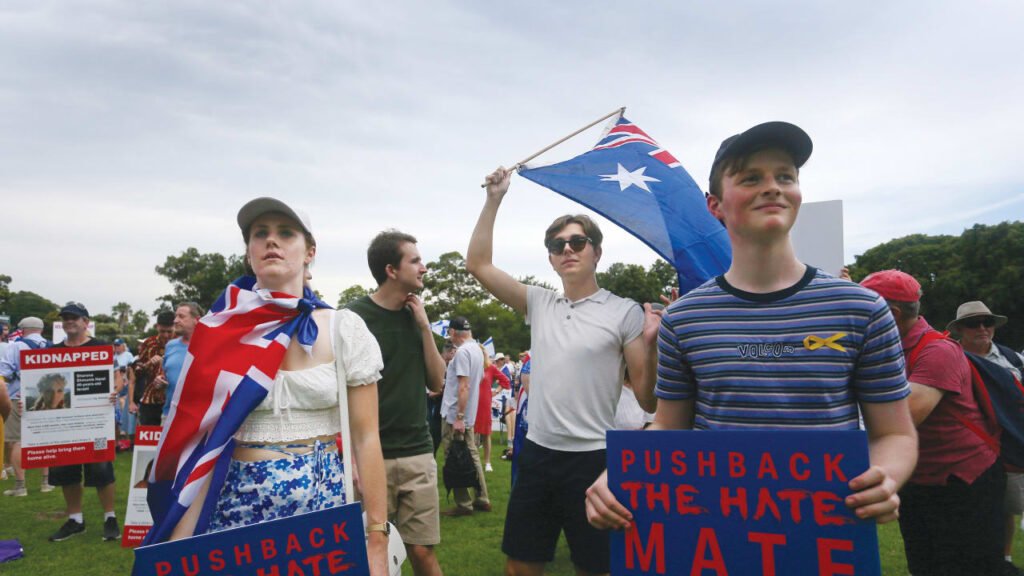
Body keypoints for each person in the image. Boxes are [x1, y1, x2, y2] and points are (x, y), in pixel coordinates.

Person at [584, 123, 918, 556]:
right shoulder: (684, 318)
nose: (773, 188)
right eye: (751, 178)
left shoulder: (861, 309)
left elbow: (896, 434)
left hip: (825, 539)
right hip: (717, 539)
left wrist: (886, 475)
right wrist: (623, 472)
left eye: (785, 176)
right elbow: (670, 424)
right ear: (715, 205)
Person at [161, 197, 390, 575]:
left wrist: (377, 538)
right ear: (249, 254)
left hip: (322, 510)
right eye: (260, 234)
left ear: (309, 252)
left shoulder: (343, 327)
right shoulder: (217, 332)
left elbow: (367, 439)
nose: (271, 242)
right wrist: (180, 540)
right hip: (234, 507)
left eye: (286, 233)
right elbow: (200, 441)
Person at [468, 168, 656, 576]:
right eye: (557, 245)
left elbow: (647, 398)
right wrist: (494, 199)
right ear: (551, 259)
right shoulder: (539, 302)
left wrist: (653, 344)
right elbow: (479, 264)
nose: (567, 249)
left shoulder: (622, 310)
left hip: (593, 460)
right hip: (537, 454)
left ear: (596, 252)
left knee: (596, 568)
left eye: (577, 242)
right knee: (520, 566)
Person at [346, 229, 446, 576]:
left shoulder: (416, 315)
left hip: (418, 451)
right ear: (391, 270)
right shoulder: (351, 319)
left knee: (421, 551)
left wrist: (424, 328)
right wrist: (352, 459)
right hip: (370, 459)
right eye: (415, 260)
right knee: (376, 555)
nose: (424, 267)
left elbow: (437, 382)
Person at [947, 300, 1024, 572]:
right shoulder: (948, 357)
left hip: (1008, 445)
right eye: (973, 323)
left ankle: (1002, 558)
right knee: (971, 507)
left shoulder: (1013, 359)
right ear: (960, 329)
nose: (982, 328)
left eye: (987, 322)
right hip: (966, 446)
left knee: (1006, 508)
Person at [47, 302, 121, 543]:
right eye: (66, 318)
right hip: (64, 423)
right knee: (65, 469)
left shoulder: (101, 348)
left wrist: (115, 392)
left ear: (86, 322)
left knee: (101, 469)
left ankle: (110, 517)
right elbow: (45, 385)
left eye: (75, 318)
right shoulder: (52, 351)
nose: (70, 321)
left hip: (95, 420)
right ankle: (75, 519)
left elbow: (118, 378)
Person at [438, 317, 488, 517]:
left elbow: (464, 386)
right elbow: (477, 381)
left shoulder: (462, 353)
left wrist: (458, 416)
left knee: (454, 456)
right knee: (472, 454)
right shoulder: (477, 349)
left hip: (455, 414)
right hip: (468, 412)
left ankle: (463, 504)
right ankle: (482, 497)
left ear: (453, 332)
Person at [0, 316, 54, 496]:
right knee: (43, 439)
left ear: (23, 329)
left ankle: (20, 486)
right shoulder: (51, 346)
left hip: (18, 396)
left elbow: (5, 371)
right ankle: (46, 483)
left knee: (17, 440)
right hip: (45, 396)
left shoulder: (16, 345)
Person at [128, 312, 174, 426]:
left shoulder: (181, 344)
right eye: (162, 331)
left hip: (173, 399)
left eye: (169, 331)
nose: (166, 335)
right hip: (150, 400)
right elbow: (137, 371)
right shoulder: (149, 343)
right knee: (148, 439)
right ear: (157, 326)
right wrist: (148, 363)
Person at [161, 302, 200, 420]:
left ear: (196, 320)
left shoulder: (209, 346)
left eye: (181, 317)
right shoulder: (170, 346)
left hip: (199, 417)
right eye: (176, 316)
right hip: (169, 415)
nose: (175, 321)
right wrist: (159, 381)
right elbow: (164, 376)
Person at [477, 349, 510, 473]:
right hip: (471, 403)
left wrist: (496, 391)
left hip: (485, 403)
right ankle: (472, 461)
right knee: (471, 433)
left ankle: (487, 462)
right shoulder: (470, 366)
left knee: (486, 433)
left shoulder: (490, 368)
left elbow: (506, 381)